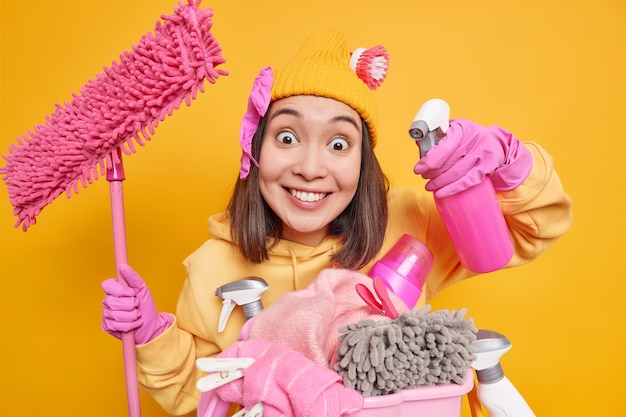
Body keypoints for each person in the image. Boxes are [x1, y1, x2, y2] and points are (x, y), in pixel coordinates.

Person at [101, 29, 572, 415]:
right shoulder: (212, 267)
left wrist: (509, 163)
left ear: (364, 164)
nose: (310, 166)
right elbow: (202, 394)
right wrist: (151, 337)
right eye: (287, 136)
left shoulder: (407, 224)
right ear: (255, 151)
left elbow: (531, 231)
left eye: (339, 144)